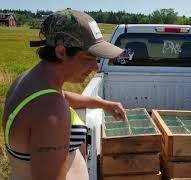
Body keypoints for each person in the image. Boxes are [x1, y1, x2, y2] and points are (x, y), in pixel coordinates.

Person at [1, 9, 126, 179]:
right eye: (89, 58)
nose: (95, 68)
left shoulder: (31, 81)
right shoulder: (50, 108)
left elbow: (62, 96)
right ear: (61, 52)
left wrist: (103, 104)